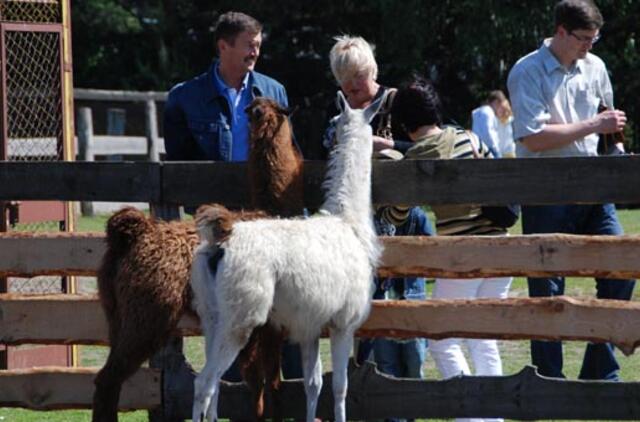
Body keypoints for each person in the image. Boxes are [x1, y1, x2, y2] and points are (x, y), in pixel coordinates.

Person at [163, 10, 303, 382]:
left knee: (278, 311)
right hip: (220, 227)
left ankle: (281, 393)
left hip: (268, 223)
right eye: (248, 46)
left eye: (258, 46)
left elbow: (290, 155)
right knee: (228, 314)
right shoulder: (184, 98)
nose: (254, 52)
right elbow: (179, 167)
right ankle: (234, 392)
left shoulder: (274, 92)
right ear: (223, 46)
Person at [507, 0, 635, 381]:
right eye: (583, 39)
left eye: (594, 39)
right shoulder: (526, 71)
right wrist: (594, 124)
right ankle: (549, 381)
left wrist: (618, 152)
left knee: (622, 269)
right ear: (560, 31)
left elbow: (610, 125)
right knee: (547, 289)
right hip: (546, 191)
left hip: (595, 188)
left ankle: (599, 371)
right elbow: (533, 138)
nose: (589, 47)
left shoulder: (595, 67)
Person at [389, 76, 512, 422]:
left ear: (404, 122)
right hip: (502, 248)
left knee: (442, 339)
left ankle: (469, 417)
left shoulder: (414, 157)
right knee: (483, 339)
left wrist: (391, 156)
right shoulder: (467, 136)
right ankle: (493, 418)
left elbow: (397, 215)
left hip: (462, 254)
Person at [322, 36, 433, 407]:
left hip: (405, 225)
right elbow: (328, 150)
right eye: (345, 80)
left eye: (358, 77)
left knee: (409, 322)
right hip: (358, 233)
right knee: (366, 325)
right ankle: (372, 407)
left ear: (372, 70)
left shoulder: (402, 104)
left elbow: (432, 146)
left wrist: (389, 148)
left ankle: (409, 406)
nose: (353, 86)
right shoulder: (341, 116)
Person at [471, 90, 515, 158]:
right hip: (489, 149)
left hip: (478, 147)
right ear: (496, 102)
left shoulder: (481, 112)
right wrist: (496, 151)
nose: (500, 110)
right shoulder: (488, 112)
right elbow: (488, 133)